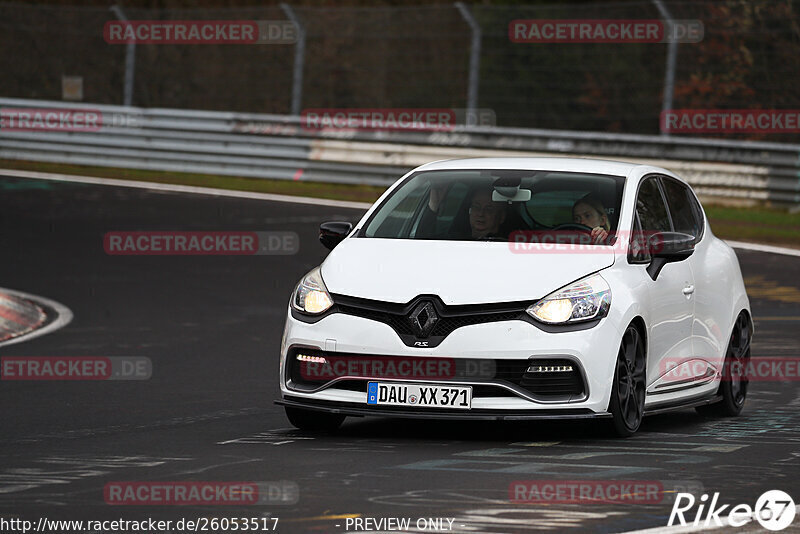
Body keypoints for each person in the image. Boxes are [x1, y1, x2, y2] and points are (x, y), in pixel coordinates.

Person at [418, 185, 507, 240]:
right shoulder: (452, 241)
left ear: (501, 217)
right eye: (476, 207)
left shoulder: (511, 244)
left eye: (488, 209)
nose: (480, 213)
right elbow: (422, 241)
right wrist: (434, 204)